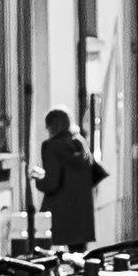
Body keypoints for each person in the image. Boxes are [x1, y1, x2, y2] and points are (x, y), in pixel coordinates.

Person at [35, 107, 105, 251]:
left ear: (52, 125)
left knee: (41, 248)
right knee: (79, 255)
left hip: (59, 210)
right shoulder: (80, 142)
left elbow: (51, 184)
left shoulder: (51, 147)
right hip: (81, 210)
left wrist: (38, 178)